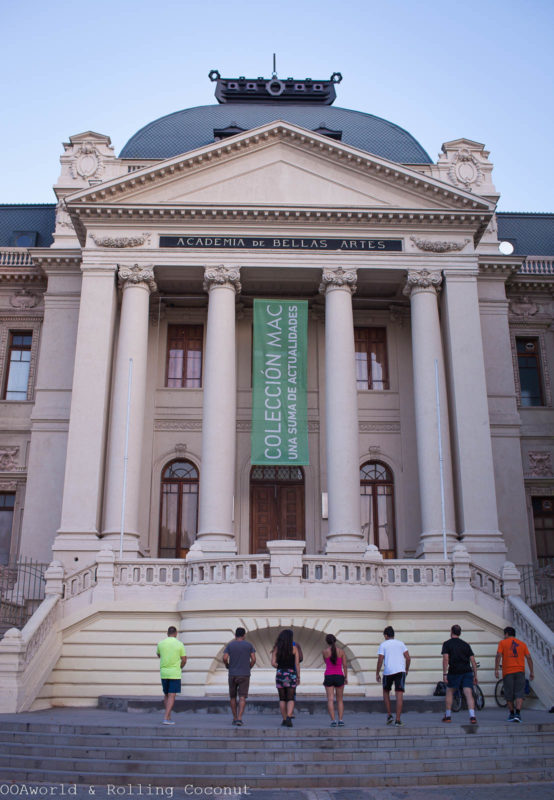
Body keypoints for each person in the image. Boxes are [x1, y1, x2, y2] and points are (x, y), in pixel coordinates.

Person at [495, 626, 534, 722]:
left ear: (507, 634)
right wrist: (531, 671)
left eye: (504, 634)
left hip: (508, 672)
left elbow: (499, 655)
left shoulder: (502, 643)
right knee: (519, 693)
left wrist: (496, 669)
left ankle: (512, 714)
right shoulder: (522, 644)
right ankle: (518, 714)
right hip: (520, 672)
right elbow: (528, 657)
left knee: (509, 694)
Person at [441, 624, 478, 724]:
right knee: (468, 693)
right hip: (467, 671)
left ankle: (448, 716)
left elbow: (445, 659)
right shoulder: (466, 644)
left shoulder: (447, 644)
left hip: (454, 671)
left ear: (451, 631)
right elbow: (473, 661)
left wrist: (444, 674)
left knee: (449, 692)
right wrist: (475, 675)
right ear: (460, 633)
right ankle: (472, 716)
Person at [375, 626, 410, 727]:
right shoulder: (401, 643)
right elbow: (408, 658)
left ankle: (389, 714)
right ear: (393, 635)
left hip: (388, 671)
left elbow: (380, 659)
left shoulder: (383, 644)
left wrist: (377, 672)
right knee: (399, 694)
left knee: (386, 691)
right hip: (400, 671)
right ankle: (398, 720)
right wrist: (406, 669)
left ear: (386, 635)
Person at [223, 627, 256, 726]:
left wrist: (227, 665)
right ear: (244, 635)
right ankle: (240, 718)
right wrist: (249, 666)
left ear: (235, 635)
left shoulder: (230, 645)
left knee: (232, 697)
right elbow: (254, 659)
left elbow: (225, 658)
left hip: (232, 673)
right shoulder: (249, 645)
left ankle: (234, 717)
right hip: (245, 674)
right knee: (242, 697)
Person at [156, 625, 187, 725]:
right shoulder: (179, 644)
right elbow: (184, 659)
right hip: (174, 673)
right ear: (176, 633)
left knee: (166, 695)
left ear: (167, 633)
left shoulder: (161, 643)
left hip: (164, 672)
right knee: (172, 695)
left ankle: (168, 716)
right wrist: (180, 666)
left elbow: (159, 655)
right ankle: (166, 717)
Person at [271, 629, 301, 727]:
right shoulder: (294, 648)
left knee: (282, 698)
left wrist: (280, 667)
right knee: (291, 697)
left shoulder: (276, 648)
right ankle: (289, 716)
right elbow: (297, 664)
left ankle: (284, 719)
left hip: (280, 673)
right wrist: (298, 676)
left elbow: (273, 663)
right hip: (291, 673)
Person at [323, 633, 348, 727]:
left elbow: (326, 662)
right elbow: (345, 665)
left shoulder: (324, 652)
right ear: (335, 641)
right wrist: (346, 677)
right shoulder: (341, 652)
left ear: (327, 642)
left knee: (330, 699)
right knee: (340, 700)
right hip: (339, 675)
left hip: (329, 675)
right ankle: (340, 720)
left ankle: (333, 721)